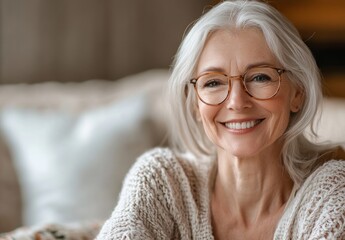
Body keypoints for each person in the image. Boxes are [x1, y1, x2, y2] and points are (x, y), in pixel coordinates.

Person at [97, 1, 345, 239]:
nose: (237, 101)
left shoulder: (333, 190)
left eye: (260, 77)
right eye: (213, 82)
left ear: (298, 93)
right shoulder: (162, 181)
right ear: (194, 102)